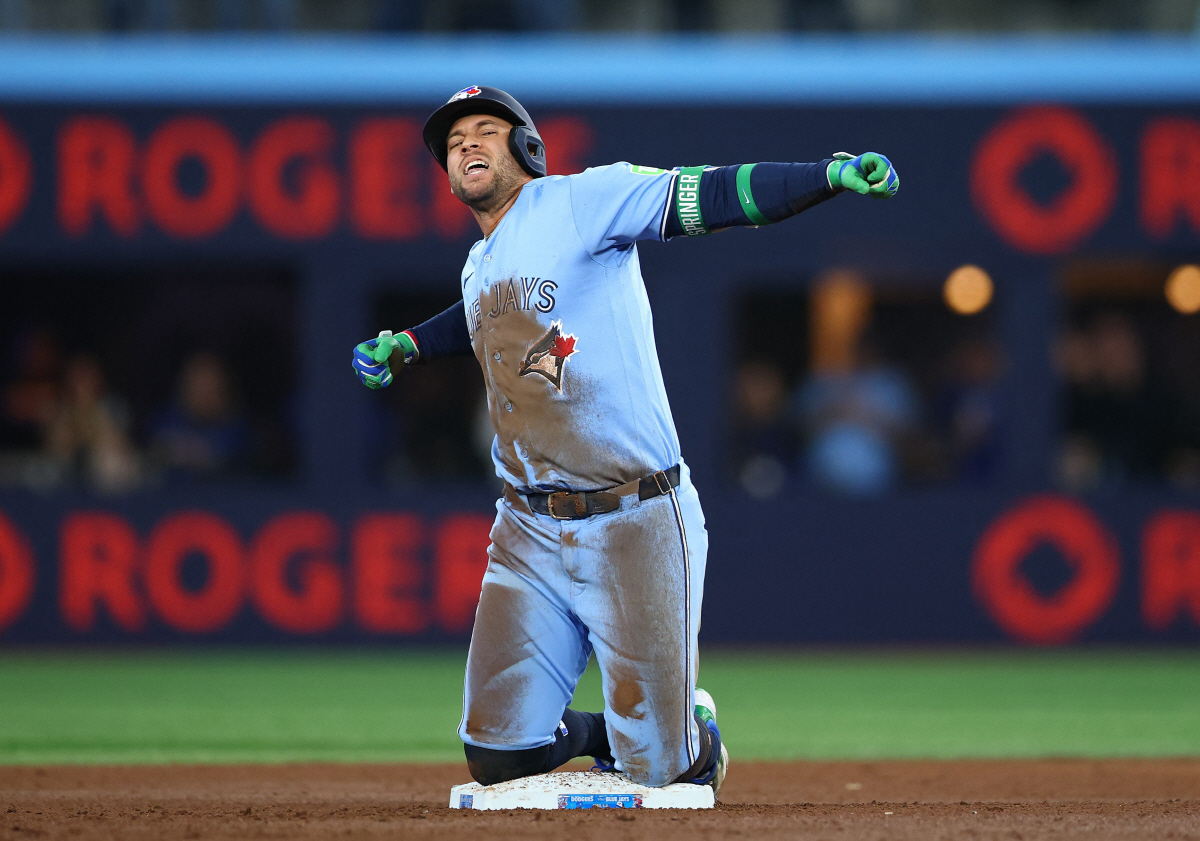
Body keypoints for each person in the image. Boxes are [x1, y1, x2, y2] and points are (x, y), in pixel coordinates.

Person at [350, 86, 898, 796]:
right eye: (454, 144)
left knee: (665, 774)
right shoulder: (481, 262)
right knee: (497, 755)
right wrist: (412, 345)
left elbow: (705, 196)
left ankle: (690, 738)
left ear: (528, 149)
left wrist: (823, 175)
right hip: (527, 526)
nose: (467, 147)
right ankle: (613, 730)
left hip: (635, 516)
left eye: (486, 131)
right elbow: (481, 314)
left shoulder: (584, 201)